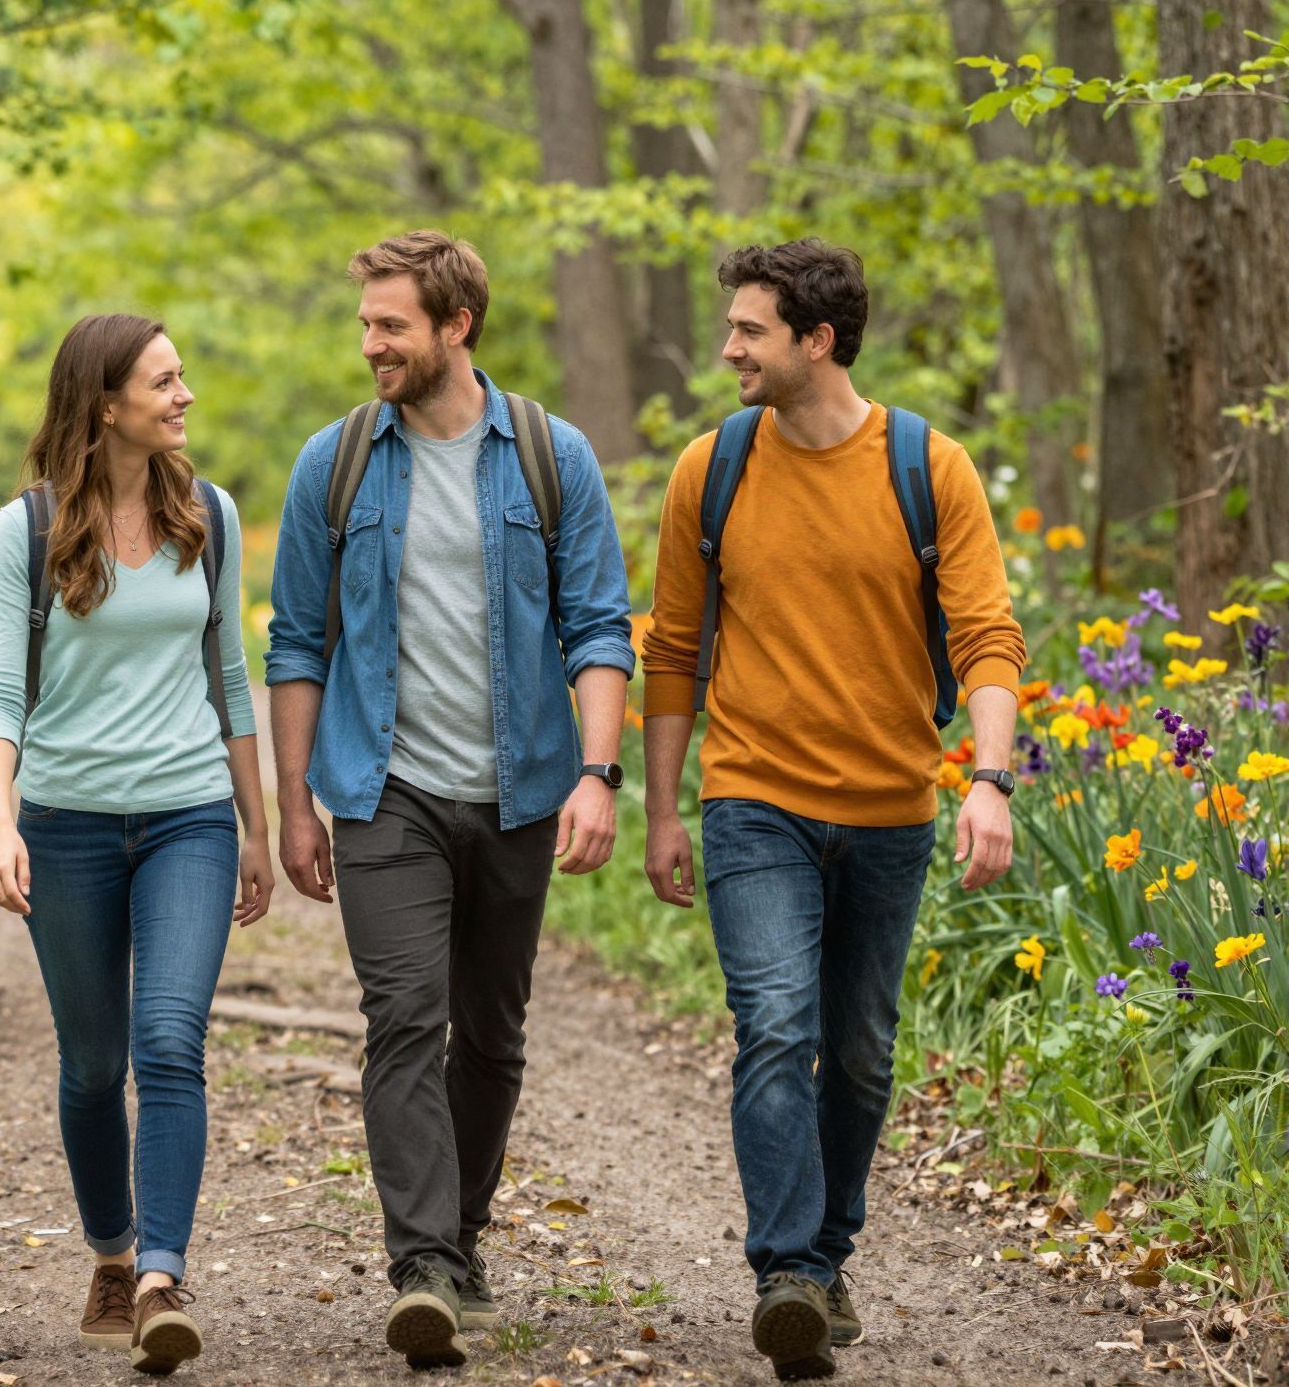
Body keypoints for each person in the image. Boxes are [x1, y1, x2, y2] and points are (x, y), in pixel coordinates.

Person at [640, 240, 1025, 1381]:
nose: (727, 350)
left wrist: (986, 779)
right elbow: (670, 651)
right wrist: (659, 808)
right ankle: (787, 1275)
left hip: (890, 809)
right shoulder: (708, 470)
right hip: (752, 798)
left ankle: (828, 1253)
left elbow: (986, 637)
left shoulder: (927, 466)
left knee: (855, 1052)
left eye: (749, 330)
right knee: (775, 1024)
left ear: (816, 339)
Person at [266, 231, 636, 1369]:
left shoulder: (547, 454)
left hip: (521, 789)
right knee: (401, 1018)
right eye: (365, 323)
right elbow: (295, 642)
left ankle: (462, 1237)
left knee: (490, 1032)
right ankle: (421, 1263)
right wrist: (292, 804)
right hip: (385, 794)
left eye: (390, 325)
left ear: (453, 326)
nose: (369, 344)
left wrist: (594, 773)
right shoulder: (330, 464)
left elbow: (598, 624)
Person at [0, 313, 274, 1376]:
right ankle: (110, 1250)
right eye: (163, 379)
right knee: (94, 1065)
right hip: (65, 824)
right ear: (105, 404)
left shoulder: (211, 517)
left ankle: (160, 1277)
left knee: (169, 1043)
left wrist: (255, 826)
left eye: (182, 376)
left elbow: (228, 676)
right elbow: (0, 688)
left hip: (188, 812)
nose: (183, 395)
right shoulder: (30, 526)